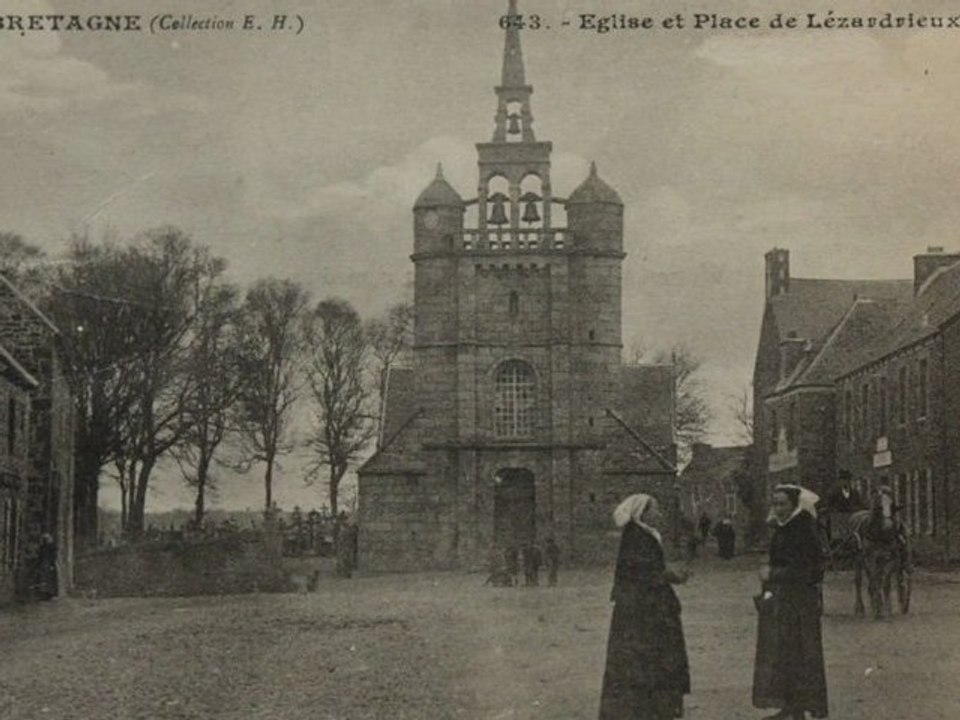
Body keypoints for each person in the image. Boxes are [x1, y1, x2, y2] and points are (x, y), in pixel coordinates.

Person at [599, 494, 690, 720]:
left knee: (648, 660)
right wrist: (671, 575)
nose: (659, 514)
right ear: (643, 513)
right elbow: (642, 574)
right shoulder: (637, 537)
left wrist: (667, 574)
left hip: (644, 608)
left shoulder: (643, 534)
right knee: (646, 659)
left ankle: (650, 709)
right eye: (655, 510)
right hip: (642, 611)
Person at [752, 484, 828, 720]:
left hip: (801, 603)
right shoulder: (784, 528)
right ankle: (790, 705)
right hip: (783, 600)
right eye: (775, 503)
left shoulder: (803, 530)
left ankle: (799, 709)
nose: (778, 508)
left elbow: (810, 570)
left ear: (794, 505)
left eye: (782, 503)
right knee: (783, 653)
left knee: (799, 654)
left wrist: (773, 574)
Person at [34, 533, 58, 600]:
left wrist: (52, 564)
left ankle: (51, 594)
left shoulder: (52, 547)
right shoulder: (43, 547)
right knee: (44, 579)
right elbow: (40, 556)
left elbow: (53, 556)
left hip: (49, 564)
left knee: (50, 579)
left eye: (47, 539)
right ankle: (44, 593)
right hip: (44, 565)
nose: (46, 540)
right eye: (45, 539)